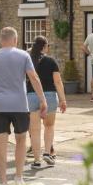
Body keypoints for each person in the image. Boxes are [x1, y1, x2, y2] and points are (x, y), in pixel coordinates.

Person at [0, 27, 48, 185]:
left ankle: (3, 183)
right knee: (21, 140)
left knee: (0, 144)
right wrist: (42, 99)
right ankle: (18, 177)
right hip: (19, 105)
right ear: (15, 40)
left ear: (1, 40)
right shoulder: (23, 55)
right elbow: (34, 78)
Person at [26, 36, 67, 169]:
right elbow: (58, 82)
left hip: (31, 96)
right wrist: (63, 99)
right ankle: (47, 153)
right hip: (49, 96)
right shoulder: (51, 61)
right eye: (48, 46)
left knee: (35, 130)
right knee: (49, 126)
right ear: (44, 47)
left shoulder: (28, 61)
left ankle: (37, 160)